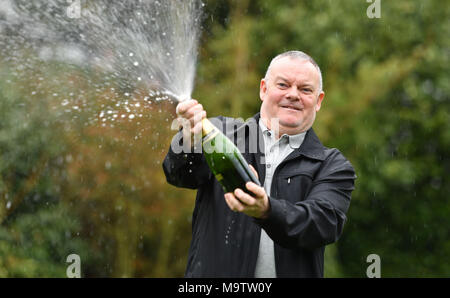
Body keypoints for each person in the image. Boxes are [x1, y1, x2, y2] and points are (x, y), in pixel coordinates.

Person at [163, 50, 356, 277]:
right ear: (264, 89)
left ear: (318, 100)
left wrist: (267, 210)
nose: (293, 95)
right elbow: (179, 175)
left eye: (305, 89)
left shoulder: (332, 165)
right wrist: (189, 139)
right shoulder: (220, 134)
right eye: (283, 85)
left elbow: (321, 224)